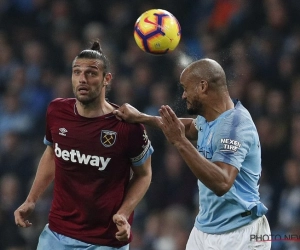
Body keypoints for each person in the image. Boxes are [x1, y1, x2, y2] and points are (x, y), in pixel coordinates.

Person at [113, 58, 271, 250]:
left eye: (186, 88)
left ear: (203, 86)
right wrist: (142, 117)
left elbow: (222, 182)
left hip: (240, 233)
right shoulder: (210, 118)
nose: (183, 95)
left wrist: (179, 142)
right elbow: (188, 127)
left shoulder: (235, 126)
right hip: (204, 229)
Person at [14, 40, 154, 250]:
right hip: (57, 233)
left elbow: (144, 174)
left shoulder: (127, 128)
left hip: (106, 241)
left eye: (91, 73)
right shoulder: (56, 111)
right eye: (76, 72)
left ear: (107, 79)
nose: (82, 79)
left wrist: (124, 213)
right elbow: (52, 154)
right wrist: (31, 199)